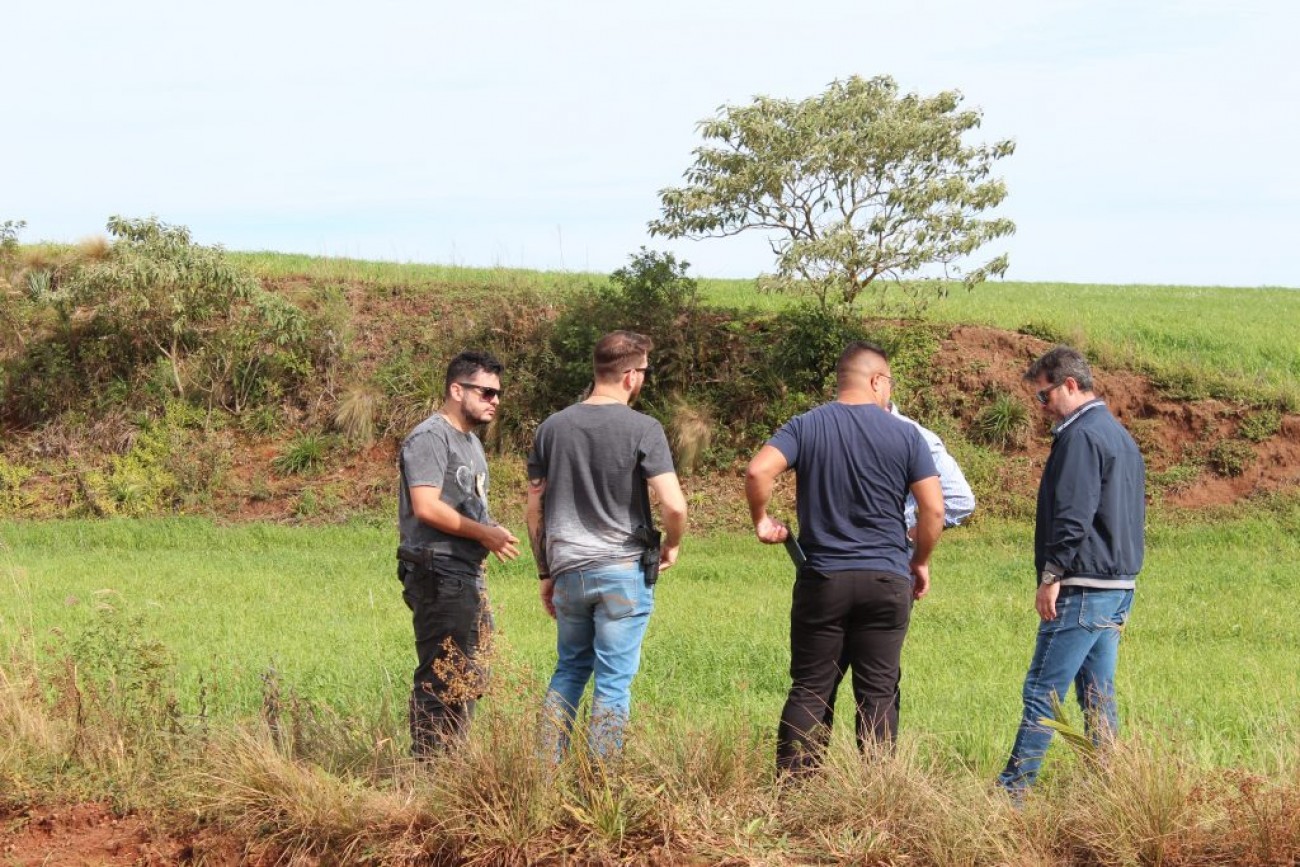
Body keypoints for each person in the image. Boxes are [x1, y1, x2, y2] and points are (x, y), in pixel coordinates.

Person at [745, 341, 944, 776]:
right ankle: (875, 795)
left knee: (812, 688)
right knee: (878, 691)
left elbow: (759, 470)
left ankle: (797, 794)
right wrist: (921, 560)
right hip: (887, 580)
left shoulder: (805, 426)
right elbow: (933, 509)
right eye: (889, 383)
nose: (890, 393)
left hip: (824, 580)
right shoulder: (906, 434)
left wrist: (762, 519)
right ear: (876, 381)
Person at [527, 330, 688, 758]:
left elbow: (534, 511)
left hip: (567, 571)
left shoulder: (551, 428)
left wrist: (545, 572)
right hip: (621, 573)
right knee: (613, 683)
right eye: (645, 372)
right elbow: (674, 504)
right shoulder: (644, 429)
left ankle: (544, 775)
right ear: (631, 376)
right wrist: (672, 544)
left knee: (568, 672)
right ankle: (601, 786)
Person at [996, 345, 1146, 795]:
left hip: (1081, 584)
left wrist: (1051, 575)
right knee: (1098, 695)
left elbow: (1074, 514)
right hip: (1118, 584)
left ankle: (1012, 793)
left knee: (1043, 690)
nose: (1041, 409)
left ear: (1070, 386)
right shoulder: (1118, 434)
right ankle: (1112, 788)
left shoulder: (1080, 436)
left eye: (1044, 397)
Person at [821, 400, 976, 739]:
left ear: (880, 384)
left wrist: (900, 529)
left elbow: (959, 500)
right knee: (824, 680)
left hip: (879, 571)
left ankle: (877, 787)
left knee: (873, 684)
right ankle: (815, 782)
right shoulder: (834, 428)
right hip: (843, 567)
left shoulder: (913, 435)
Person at [396, 350, 520, 757]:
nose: (495, 401)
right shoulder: (431, 437)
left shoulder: (470, 444)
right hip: (438, 569)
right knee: (442, 675)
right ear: (456, 389)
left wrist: (490, 530)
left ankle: (454, 766)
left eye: (498, 394)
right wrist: (485, 533)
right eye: (486, 392)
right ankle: (428, 777)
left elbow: (464, 504)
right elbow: (427, 506)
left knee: (469, 674)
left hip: (464, 571)